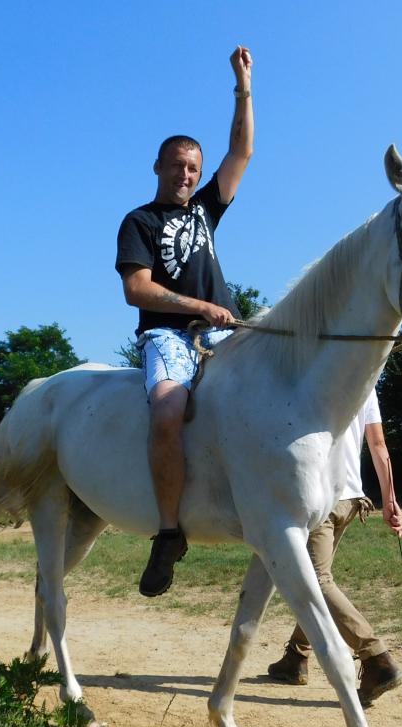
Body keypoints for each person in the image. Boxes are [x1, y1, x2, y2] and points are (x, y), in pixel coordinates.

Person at [115, 45, 254, 598]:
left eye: (193, 167)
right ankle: (168, 532)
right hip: (168, 334)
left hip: (224, 330)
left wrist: (243, 86)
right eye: (177, 165)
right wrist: (198, 307)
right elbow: (136, 289)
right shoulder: (139, 221)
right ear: (158, 167)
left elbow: (241, 150)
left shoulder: (206, 208)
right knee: (169, 410)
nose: (186, 174)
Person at [266, 387, 402, 708]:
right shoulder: (367, 383)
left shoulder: (311, 375)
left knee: (315, 581)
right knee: (318, 578)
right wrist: (390, 500)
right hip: (352, 499)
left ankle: (376, 658)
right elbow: (379, 445)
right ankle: (296, 657)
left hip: (320, 498)